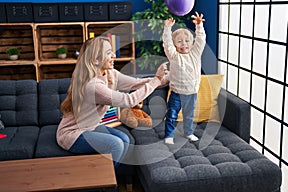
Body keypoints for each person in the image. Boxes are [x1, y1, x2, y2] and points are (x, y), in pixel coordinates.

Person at [57, 36, 168, 168]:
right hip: (73, 134)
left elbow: (136, 83)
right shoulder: (93, 86)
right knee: (116, 144)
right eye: (109, 53)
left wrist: (164, 79)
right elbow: (129, 100)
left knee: (125, 140)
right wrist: (156, 80)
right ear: (96, 59)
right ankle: (104, 184)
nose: (114, 55)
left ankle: (106, 173)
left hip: (90, 127)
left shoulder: (110, 73)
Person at [163, 12, 206, 144]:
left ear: (191, 43)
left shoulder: (195, 54)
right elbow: (167, 44)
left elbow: (201, 40)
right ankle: (169, 135)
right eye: (179, 42)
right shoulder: (174, 56)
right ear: (175, 44)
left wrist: (199, 26)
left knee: (189, 116)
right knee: (171, 115)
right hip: (177, 93)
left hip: (191, 93)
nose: (184, 44)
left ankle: (188, 133)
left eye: (187, 41)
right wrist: (167, 28)